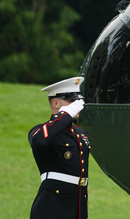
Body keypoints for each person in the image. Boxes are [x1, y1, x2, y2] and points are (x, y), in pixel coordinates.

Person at [28, 77, 90, 219]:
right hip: (52, 207)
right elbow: (40, 142)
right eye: (71, 101)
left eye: (77, 101)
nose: (77, 105)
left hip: (77, 205)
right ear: (55, 103)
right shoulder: (40, 131)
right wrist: (66, 114)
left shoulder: (79, 132)